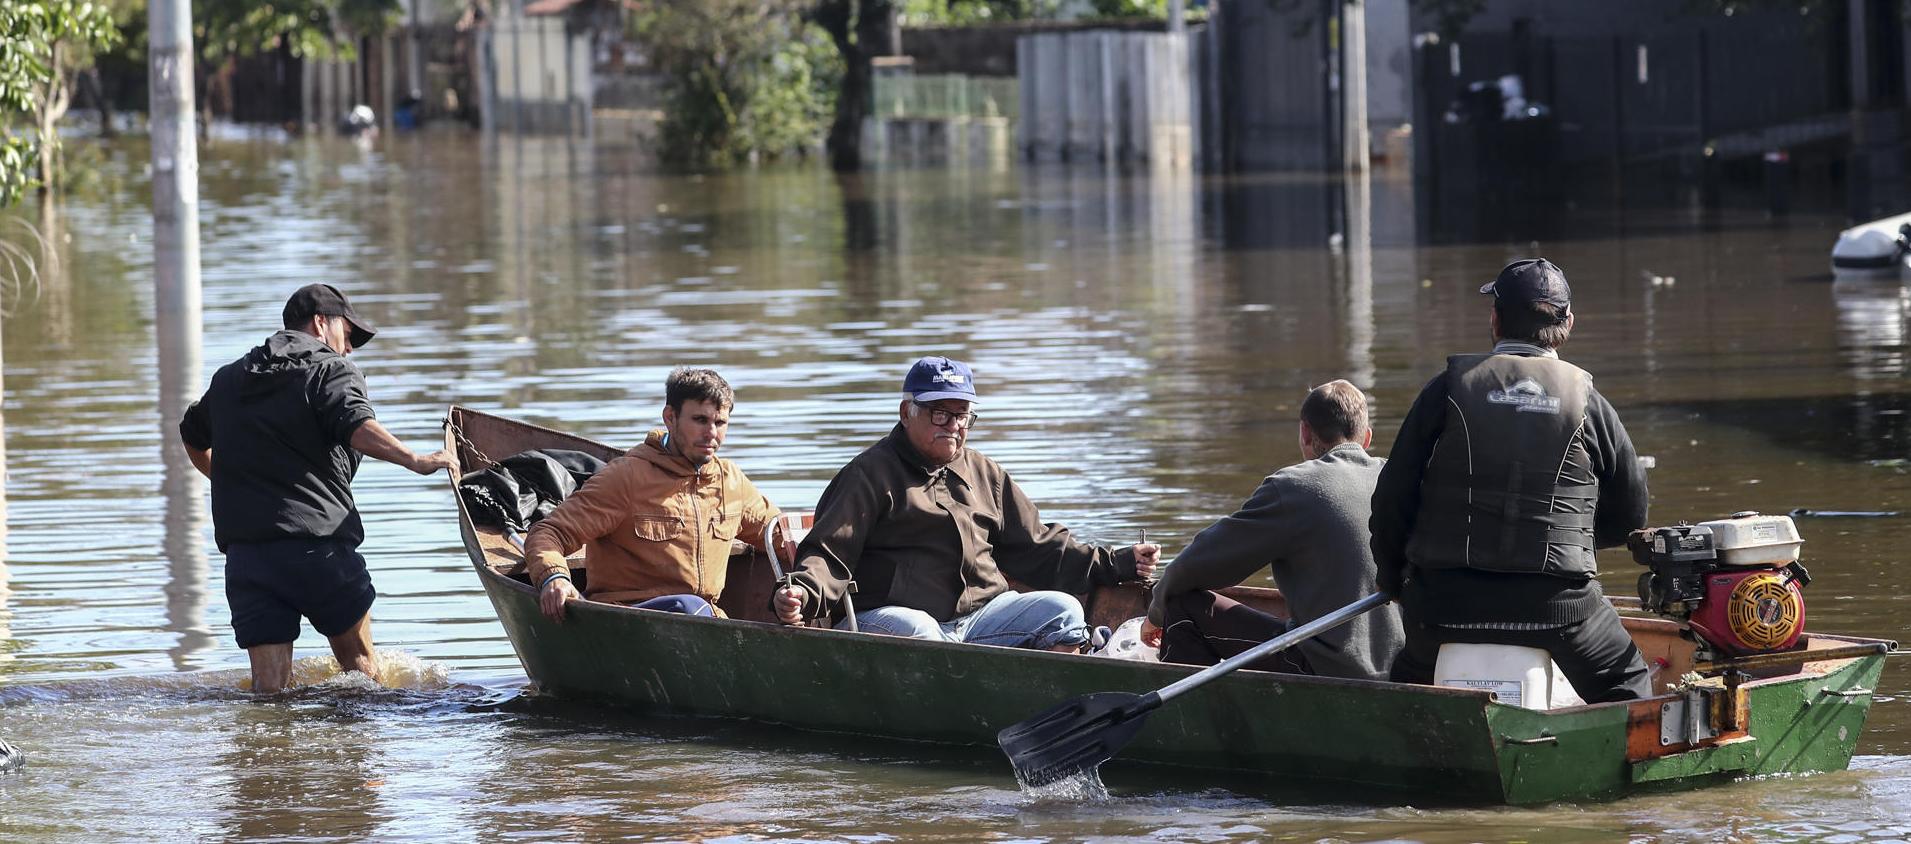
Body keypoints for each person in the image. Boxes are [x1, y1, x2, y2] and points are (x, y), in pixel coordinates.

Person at [1370, 258, 1652, 702]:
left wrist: (1393, 581)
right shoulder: (1590, 403)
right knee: (1629, 684)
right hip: (1559, 607)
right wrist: (1569, 544)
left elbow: (1392, 499)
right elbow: (1631, 513)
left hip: (1443, 604)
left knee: (1405, 687)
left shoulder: (1445, 390)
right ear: (1569, 323)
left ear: (1495, 319)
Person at [179, 283, 457, 694]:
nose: (349, 350)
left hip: (249, 558)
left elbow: (192, 435)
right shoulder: (329, 369)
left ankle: (274, 759)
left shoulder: (228, 379)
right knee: (364, 679)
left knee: (269, 693)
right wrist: (413, 459)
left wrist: (226, 481)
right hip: (319, 551)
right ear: (321, 323)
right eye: (348, 336)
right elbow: (357, 426)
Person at [773, 356, 1159, 651]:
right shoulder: (868, 475)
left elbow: (1037, 545)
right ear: (906, 413)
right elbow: (827, 553)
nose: (953, 425)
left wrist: (1120, 562)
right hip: (893, 619)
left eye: (962, 415)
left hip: (980, 618)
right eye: (940, 412)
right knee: (920, 632)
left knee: (1062, 610)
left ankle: (1051, 705)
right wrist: (800, 595)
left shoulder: (984, 473)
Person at [1145, 380, 1404, 681]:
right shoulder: (1397, 480)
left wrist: (1155, 614)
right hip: (1403, 667)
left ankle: (1193, 723)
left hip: (1330, 668)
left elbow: (1196, 565)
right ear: (1367, 437)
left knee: (1183, 606)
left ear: (1305, 433)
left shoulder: (1295, 487)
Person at [525, 367, 786, 623]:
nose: (711, 434)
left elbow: (784, 536)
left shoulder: (730, 481)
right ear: (670, 417)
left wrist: (806, 586)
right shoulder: (626, 477)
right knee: (688, 606)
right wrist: (554, 577)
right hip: (625, 619)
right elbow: (549, 533)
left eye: (720, 423)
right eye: (700, 420)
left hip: (703, 622)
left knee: (695, 609)